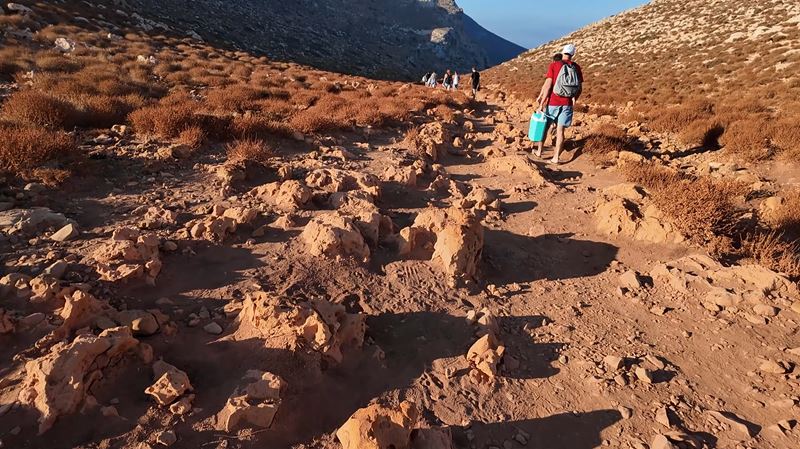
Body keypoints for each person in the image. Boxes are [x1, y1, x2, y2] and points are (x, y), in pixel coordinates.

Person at [535, 44, 583, 164]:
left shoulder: (554, 65)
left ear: (563, 52)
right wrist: (574, 99)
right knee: (561, 131)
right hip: (567, 104)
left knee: (545, 128)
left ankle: (539, 151)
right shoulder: (576, 67)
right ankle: (556, 158)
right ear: (573, 54)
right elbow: (579, 88)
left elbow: (548, 86)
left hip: (553, 102)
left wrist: (541, 104)